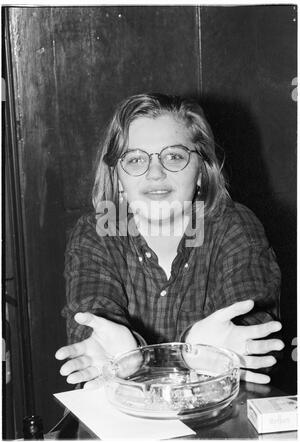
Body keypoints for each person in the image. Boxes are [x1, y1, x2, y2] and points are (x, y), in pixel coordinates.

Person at [55, 93, 283, 389]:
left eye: (174, 156)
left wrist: (207, 350)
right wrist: (125, 354)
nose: (155, 173)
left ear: (202, 170)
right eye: (135, 159)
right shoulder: (96, 231)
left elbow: (251, 320)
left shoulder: (234, 226)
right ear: (117, 177)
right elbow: (93, 320)